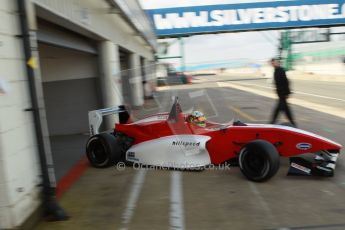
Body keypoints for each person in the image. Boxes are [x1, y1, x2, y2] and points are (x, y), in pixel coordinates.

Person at [269, 58, 296, 126]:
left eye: (274, 63)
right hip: (280, 94)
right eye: (272, 63)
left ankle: (272, 123)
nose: (273, 64)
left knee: (278, 109)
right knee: (286, 110)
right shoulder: (276, 71)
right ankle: (293, 124)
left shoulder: (281, 70)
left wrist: (287, 93)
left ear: (277, 63)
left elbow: (286, 82)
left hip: (283, 94)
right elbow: (277, 83)